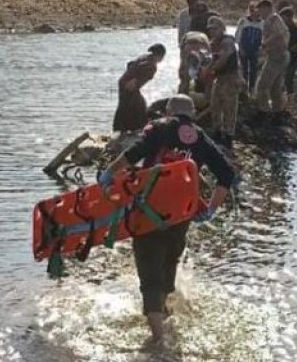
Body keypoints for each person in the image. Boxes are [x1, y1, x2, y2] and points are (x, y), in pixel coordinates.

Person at [98, 95, 237, 341]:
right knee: (169, 263)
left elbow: (132, 154)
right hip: (180, 216)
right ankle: (164, 318)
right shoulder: (200, 138)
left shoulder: (160, 128)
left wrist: (108, 174)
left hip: (148, 213)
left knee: (149, 273)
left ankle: (158, 341)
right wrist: (211, 209)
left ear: (169, 111)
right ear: (192, 114)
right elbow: (226, 175)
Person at [200, 16, 241, 146]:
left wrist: (209, 70)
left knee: (229, 107)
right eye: (210, 29)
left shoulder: (227, 42)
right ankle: (217, 131)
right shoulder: (213, 43)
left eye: (215, 29)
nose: (212, 32)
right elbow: (210, 59)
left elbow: (223, 60)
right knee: (215, 104)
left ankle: (229, 135)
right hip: (220, 77)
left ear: (222, 29)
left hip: (230, 77)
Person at [114, 43, 166, 133]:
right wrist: (134, 81)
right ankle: (128, 129)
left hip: (125, 82)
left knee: (133, 105)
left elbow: (130, 64)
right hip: (130, 84)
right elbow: (141, 68)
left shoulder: (145, 57)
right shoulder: (151, 65)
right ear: (160, 55)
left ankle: (124, 128)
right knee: (132, 106)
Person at [253, 0, 290, 116]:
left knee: (262, 85)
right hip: (278, 55)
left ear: (267, 8)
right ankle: (277, 111)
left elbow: (278, 33)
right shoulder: (271, 19)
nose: (259, 12)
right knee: (275, 87)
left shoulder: (273, 18)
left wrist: (265, 44)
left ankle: (264, 111)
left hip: (277, 56)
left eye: (261, 9)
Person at [235, 2, 262, 93]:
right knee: (244, 69)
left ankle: (252, 89)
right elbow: (238, 35)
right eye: (253, 10)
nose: (256, 13)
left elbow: (264, 38)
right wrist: (240, 47)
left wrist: (261, 50)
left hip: (255, 50)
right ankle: (243, 89)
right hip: (244, 48)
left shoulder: (262, 23)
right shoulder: (243, 21)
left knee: (254, 70)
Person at [177, 30, 211, 96]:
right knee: (205, 73)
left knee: (184, 76)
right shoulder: (205, 41)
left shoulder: (187, 40)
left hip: (189, 45)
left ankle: (182, 94)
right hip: (201, 44)